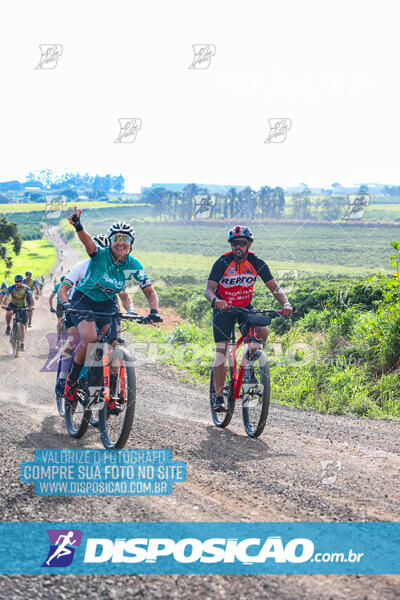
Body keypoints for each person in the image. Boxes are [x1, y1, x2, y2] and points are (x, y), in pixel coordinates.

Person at [63, 208, 161, 405]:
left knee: (115, 344)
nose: (121, 242)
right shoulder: (99, 255)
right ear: (110, 242)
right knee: (90, 339)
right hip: (84, 299)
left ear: (131, 244)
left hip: (108, 304)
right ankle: (71, 381)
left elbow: (149, 291)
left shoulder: (133, 264)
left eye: (125, 239)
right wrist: (79, 226)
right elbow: (88, 242)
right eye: (116, 238)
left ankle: (112, 393)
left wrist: (154, 312)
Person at [204, 225, 293, 412]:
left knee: (262, 331)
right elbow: (208, 290)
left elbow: (274, 288)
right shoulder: (222, 262)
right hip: (224, 309)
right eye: (235, 243)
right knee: (222, 350)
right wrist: (216, 301)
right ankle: (219, 397)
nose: (238, 247)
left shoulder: (257, 262)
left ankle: (251, 366)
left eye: (242, 243)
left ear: (249, 244)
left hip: (244, 306)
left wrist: (285, 304)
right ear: (231, 245)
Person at [55, 234, 138, 397]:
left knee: (112, 340)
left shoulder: (113, 269)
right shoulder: (82, 266)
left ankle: (104, 383)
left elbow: (124, 295)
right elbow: (62, 289)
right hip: (76, 306)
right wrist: (66, 305)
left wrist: (131, 310)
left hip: (103, 308)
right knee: (74, 339)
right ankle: (64, 378)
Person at [1, 274, 34, 352]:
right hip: (13, 305)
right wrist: (3, 303)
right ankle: (8, 326)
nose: (18, 283)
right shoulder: (11, 287)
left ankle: (22, 344)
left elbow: (31, 298)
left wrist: (32, 306)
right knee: (9, 313)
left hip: (22, 306)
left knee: (23, 326)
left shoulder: (26, 288)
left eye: (20, 281)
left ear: (22, 281)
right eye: (17, 281)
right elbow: (5, 296)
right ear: (14, 281)